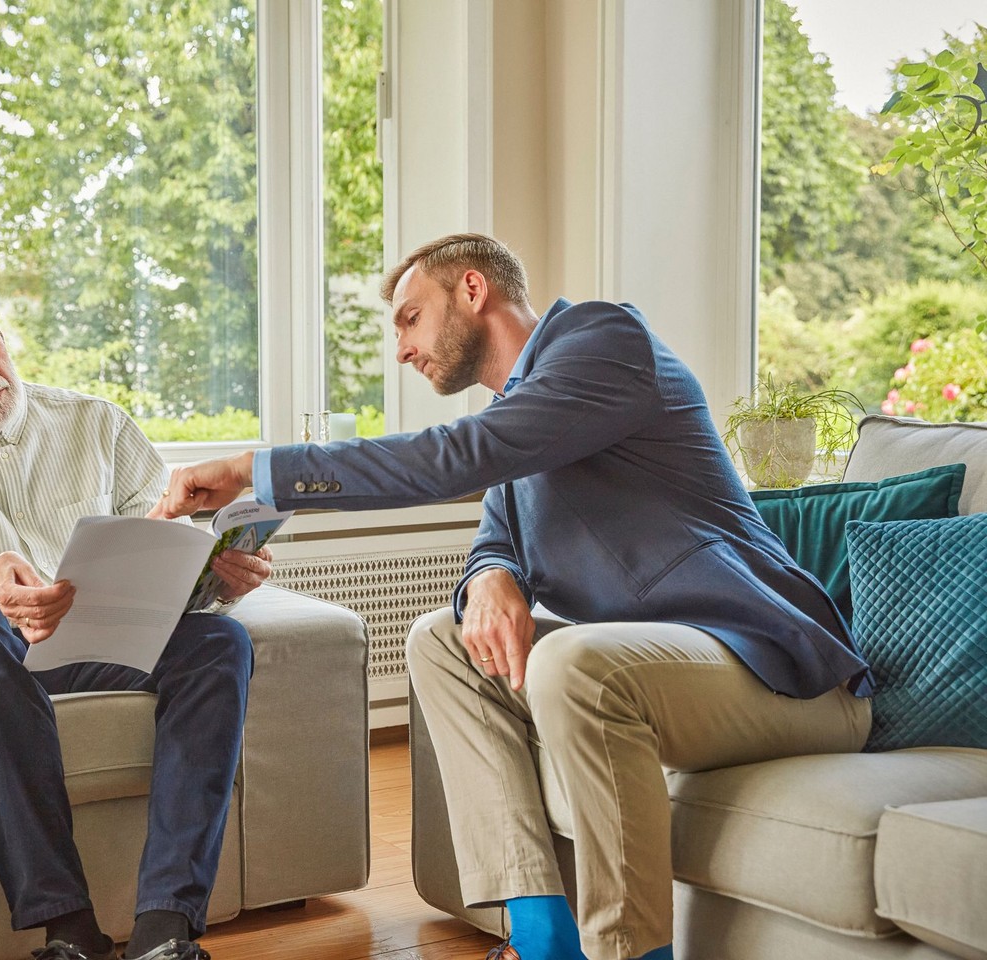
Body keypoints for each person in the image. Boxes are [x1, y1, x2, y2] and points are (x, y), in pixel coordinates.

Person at [153, 233, 873, 960]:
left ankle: (631, 953)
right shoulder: (524, 412)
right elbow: (495, 531)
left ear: (473, 290)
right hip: (667, 670)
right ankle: (539, 939)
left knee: (576, 665)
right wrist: (489, 574)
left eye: (410, 319)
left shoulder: (605, 342)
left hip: (777, 671)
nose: (402, 350)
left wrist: (253, 468)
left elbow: (457, 458)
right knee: (440, 640)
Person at [0, 266, 270, 960]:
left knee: (221, 641)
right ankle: (69, 928)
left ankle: (164, 931)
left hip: (105, 640)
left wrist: (221, 575)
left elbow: (168, 540)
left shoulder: (98, 423)